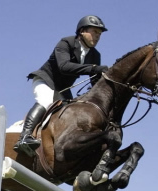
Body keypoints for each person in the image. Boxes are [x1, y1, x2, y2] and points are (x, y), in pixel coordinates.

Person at [14, 15, 108, 156]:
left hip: (63, 90)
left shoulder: (95, 55)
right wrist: (94, 68)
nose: (98, 36)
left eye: (99, 34)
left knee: (70, 114)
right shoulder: (66, 42)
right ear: (82, 31)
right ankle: (24, 137)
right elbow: (64, 66)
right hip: (46, 80)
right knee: (45, 101)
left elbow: (94, 83)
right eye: (94, 32)